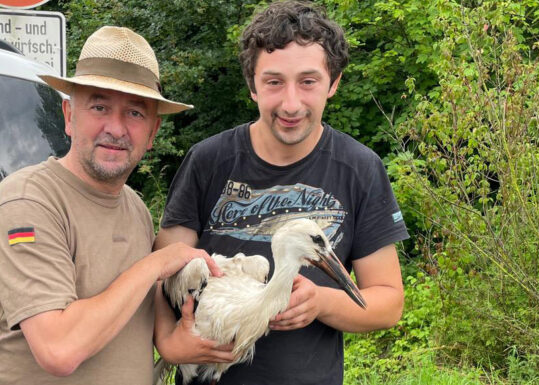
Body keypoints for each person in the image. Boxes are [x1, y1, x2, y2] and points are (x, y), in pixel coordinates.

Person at [153, 2, 410, 384]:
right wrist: (167, 343)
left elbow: (388, 304)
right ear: (252, 85)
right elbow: (159, 274)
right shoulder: (208, 160)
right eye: (274, 82)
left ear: (333, 82)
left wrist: (322, 302)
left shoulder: (360, 168)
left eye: (308, 81)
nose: (291, 104)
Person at [0, 26, 220, 385]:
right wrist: (156, 263)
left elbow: (138, 323)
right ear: (69, 116)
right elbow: (59, 349)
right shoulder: (27, 202)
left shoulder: (134, 208)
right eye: (99, 106)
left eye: (135, 113)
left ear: (153, 132)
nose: (116, 128)